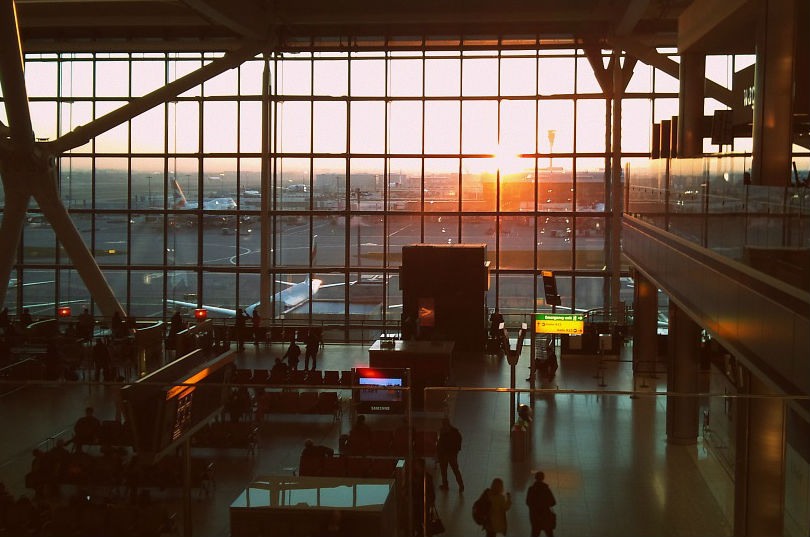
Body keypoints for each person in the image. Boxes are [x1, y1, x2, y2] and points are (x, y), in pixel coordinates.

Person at [410, 457, 436, 537]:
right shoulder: (413, 477)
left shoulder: (427, 478)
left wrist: (431, 501)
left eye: (417, 465)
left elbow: (431, 491)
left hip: (423, 503)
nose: (415, 467)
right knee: (418, 520)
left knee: (424, 520)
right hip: (417, 503)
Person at [436, 417, 464, 492]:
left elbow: (440, 444)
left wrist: (439, 454)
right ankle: (461, 485)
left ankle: (445, 485)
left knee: (444, 471)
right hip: (452, 455)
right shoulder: (455, 432)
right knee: (455, 471)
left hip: (445, 455)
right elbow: (459, 441)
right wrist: (456, 451)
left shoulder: (443, 432)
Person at [526, 470, 557, 537]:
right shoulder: (546, 489)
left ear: (535, 478)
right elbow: (553, 502)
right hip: (545, 516)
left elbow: (528, 502)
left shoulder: (531, 489)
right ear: (543, 478)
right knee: (549, 534)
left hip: (535, 516)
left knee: (535, 533)